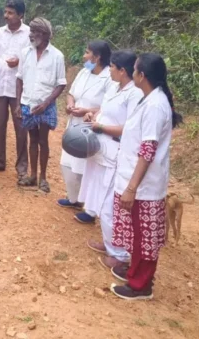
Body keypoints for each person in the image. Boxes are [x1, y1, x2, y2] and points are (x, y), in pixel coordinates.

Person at [109, 53, 183, 300]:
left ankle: (141, 286)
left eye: (136, 70)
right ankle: (134, 272)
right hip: (137, 180)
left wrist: (132, 188)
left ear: (142, 76)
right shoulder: (149, 99)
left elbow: (148, 149)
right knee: (137, 234)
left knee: (144, 238)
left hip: (143, 185)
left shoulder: (154, 106)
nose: (133, 72)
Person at [79, 51, 143, 269]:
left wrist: (101, 127)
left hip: (118, 153)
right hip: (102, 150)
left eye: (113, 68)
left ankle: (120, 254)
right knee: (99, 198)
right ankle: (109, 244)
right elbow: (106, 111)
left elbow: (130, 129)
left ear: (122, 71)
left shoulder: (134, 95)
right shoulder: (115, 88)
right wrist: (94, 116)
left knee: (110, 206)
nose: (110, 71)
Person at [56, 40, 112, 223]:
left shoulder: (109, 78)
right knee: (67, 162)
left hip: (91, 127)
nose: (84, 56)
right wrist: (71, 104)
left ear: (97, 57)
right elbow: (72, 93)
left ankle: (90, 209)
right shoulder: (83, 72)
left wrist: (88, 111)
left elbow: (110, 107)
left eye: (87, 53)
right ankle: (74, 199)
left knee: (86, 168)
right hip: (74, 123)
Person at [14, 17, 66, 193]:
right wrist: (18, 103)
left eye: (34, 32)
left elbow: (61, 84)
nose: (31, 35)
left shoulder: (57, 56)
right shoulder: (25, 53)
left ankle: (43, 178)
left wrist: (46, 103)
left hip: (45, 105)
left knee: (43, 141)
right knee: (32, 139)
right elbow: (19, 79)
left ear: (44, 34)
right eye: (31, 31)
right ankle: (33, 176)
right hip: (28, 103)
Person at [0, 0, 30, 178]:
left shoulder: (29, 34)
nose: (6, 16)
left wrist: (19, 62)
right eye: (5, 12)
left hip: (19, 89)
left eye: (10, 13)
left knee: (21, 128)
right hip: (0, 85)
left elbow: (33, 58)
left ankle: (22, 167)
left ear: (20, 15)